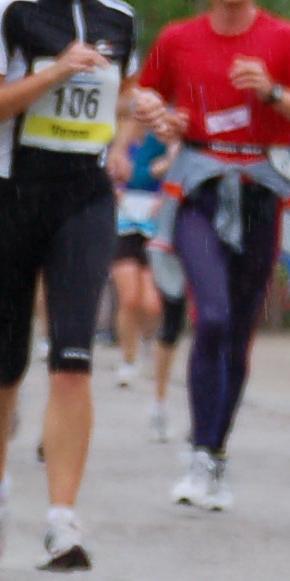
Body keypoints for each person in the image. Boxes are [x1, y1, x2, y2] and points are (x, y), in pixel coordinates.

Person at [0, 0, 138, 569]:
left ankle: (63, 519)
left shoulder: (119, 17)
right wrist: (52, 73)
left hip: (82, 198)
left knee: (72, 356)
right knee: (4, 363)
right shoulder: (8, 10)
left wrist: (138, 117)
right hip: (4, 196)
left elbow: (114, 97)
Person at [135, 0, 290, 508]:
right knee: (213, 317)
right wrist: (157, 116)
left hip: (260, 189)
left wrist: (272, 93)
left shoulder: (286, 41)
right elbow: (146, 94)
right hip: (198, 187)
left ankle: (216, 455)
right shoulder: (178, 39)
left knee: (240, 330)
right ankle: (199, 452)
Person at [110, 122, 186, 437]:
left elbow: (176, 169)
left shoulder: (172, 137)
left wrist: (167, 178)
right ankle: (128, 359)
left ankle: (147, 343)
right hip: (127, 219)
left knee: (153, 305)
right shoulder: (121, 141)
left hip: (157, 221)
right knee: (129, 297)